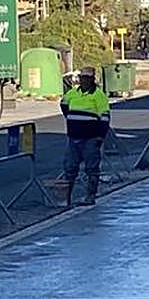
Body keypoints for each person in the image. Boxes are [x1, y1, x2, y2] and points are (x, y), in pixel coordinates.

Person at [61, 67, 110, 206]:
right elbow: (64, 104)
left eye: (87, 78)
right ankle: (67, 198)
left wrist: (100, 136)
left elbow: (105, 117)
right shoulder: (73, 92)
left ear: (92, 79)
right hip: (74, 137)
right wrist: (71, 118)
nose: (84, 80)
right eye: (82, 78)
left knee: (92, 168)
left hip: (91, 138)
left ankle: (90, 196)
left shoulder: (98, 95)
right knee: (70, 168)